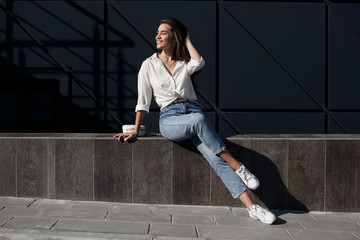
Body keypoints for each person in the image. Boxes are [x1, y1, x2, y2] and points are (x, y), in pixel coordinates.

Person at [114, 18, 276, 225]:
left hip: (192, 111)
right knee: (200, 120)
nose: (157, 36)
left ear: (175, 37)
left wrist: (187, 39)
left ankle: (253, 208)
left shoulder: (183, 63)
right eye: (158, 32)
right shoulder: (148, 65)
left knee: (217, 160)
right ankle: (238, 167)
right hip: (170, 119)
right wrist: (135, 130)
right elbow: (142, 102)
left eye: (163, 32)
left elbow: (199, 61)